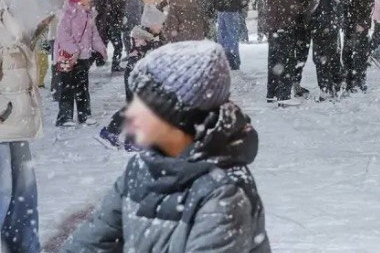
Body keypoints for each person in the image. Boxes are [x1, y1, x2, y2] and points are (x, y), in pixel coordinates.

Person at [64, 41, 270, 252]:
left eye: (142, 106)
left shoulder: (225, 192)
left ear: (176, 116)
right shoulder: (141, 168)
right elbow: (92, 241)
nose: (130, 115)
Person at [0, 0, 52, 253]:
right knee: (4, 193)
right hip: (6, 118)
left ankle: (24, 247)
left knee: (24, 196)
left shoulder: (9, 18)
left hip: (16, 120)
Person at [98, 4, 166, 150]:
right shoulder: (144, 39)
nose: (161, 26)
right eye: (159, 23)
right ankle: (114, 133)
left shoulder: (151, 37)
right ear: (151, 24)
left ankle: (126, 138)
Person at [54, 0, 108, 126]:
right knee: (66, 86)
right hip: (66, 56)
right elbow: (62, 35)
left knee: (83, 87)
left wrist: (101, 48)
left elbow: (94, 35)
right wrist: (73, 50)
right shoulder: (68, 14)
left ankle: (84, 115)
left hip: (83, 56)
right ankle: (65, 117)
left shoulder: (89, 14)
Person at [264, 0, 303, 105]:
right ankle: (284, 95)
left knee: (273, 63)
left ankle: (271, 93)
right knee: (286, 64)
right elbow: (296, 11)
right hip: (285, 32)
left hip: (273, 33)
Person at [310, 0, 344, 100]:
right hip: (333, 29)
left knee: (321, 59)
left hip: (320, 30)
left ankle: (325, 89)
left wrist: (315, 24)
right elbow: (340, 8)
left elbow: (313, 9)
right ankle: (337, 84)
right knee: (334, 56)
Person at [340, 0, 374, 93]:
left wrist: (362, 23)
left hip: (359, 26)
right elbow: (345, 6)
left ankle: (359, 80)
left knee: (359, 54)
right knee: (347, 54)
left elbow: (368, 6)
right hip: (349, 25)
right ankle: (349, 80)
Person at [42, 0, 73, 93]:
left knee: (55, 62)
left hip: (54, 32)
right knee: (67, 61)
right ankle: (66, 87)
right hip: (69, 33)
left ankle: (56, 88)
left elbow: (46, 14)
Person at [212, 0, 249, 70]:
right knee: (233, 36)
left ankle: (223, 59)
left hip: (222, 13)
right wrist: (238, 6)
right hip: (233, 13)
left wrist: (220, 7)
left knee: (222, 35)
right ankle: (232, 60)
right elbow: (245, 0)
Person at [93, 0, 126, 72]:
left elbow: (97, 7)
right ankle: (115, 65)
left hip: (101, 22)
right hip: (111, 22)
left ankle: (100, 60)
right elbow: (115, 9)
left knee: (103, 41)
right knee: (118, 45)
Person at [123, 0, 144, 64]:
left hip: (127, 22)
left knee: (126, 38)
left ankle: (129, 54)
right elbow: (142, 10)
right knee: (137, 39)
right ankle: (137, 54)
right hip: (137, 21)